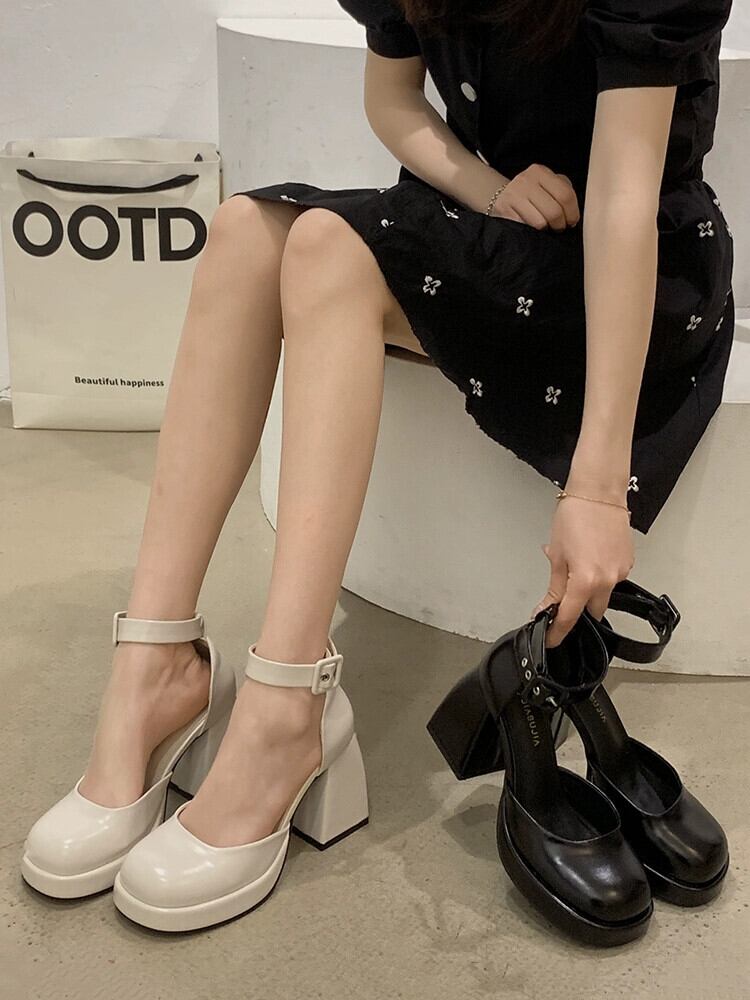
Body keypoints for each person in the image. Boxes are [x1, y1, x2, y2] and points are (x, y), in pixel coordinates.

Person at [21, 0, 733, 933]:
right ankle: (152, 670)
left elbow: (626, 195)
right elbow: (392, 101)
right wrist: (491, 190)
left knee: (324, 245)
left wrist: (598, 486)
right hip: (502, 221)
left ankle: (285, 710)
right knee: (242, 233)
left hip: (637, 272)